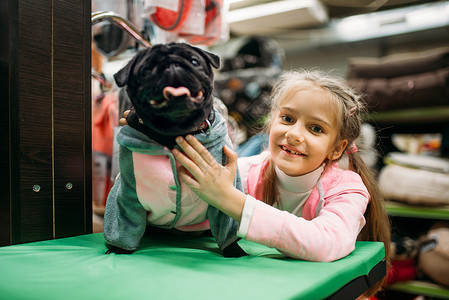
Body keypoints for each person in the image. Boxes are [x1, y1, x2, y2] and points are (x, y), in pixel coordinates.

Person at [172, 69, 391, 297]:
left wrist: (230, 200)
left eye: (316, 128)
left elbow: (326, 241)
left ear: (337, 149)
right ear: (271, 122)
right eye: (287, 119)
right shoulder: (247, 170)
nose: (294, 134)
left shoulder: (346, 189)